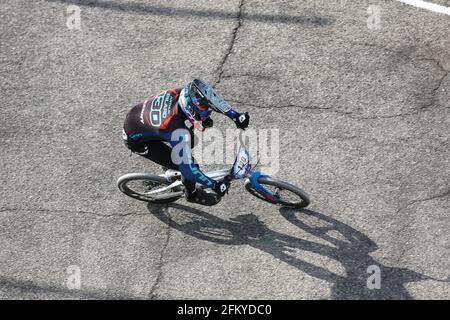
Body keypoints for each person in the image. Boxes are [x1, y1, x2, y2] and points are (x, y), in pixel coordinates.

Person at [122, 79, 250, 206]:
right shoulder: (175, 130)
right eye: (204, 111)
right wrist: (214, 185)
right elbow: (189, 170)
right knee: (191, 164)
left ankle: (172, 164)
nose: (207, 112)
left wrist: (235, 116)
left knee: (192, 141)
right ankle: (192, 194)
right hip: (138, 141)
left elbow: (212, 99)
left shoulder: (184, 93)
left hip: (140, 118)